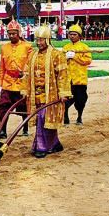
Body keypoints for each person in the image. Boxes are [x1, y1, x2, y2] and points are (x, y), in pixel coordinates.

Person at [21, 24, 71, 158]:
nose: (39, 42)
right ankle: (54, 143)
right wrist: (24, 89)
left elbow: (63, 74)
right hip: (35, 94)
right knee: (40, 119)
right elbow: (26, 73)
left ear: (48, 39)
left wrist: (63, 92)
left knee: (44, 118)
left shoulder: (56, 55)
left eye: (41, 40)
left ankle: (42, 147)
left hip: (51, 93)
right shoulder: (32, 55)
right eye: (37, 39)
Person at [0, 19, 32, 138]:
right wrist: (0, 82)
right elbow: (2, 66)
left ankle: (25, 127)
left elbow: (30, 63)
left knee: (23, 106)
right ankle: (2, 130)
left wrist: (25, 73)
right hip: (7, 81)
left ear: (19, 33)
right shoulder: (4, 47)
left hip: (21, 81)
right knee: (3, 106)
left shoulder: (27, 47)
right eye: (9, 34)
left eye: (14, 33)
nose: (11, 36)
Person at [63, 24, 92, 125]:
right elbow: (60, 62)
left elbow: (88, 61)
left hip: (80, 79)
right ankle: (65, 116)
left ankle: (79, 116)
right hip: (68, 79)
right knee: (65, 99)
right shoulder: (66, 47)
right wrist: (65, 58)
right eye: (70, 34)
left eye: (74, 34)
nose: (72, 36)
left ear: (79, 35)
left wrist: (75, 57)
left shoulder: (84, 47)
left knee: (80, 100)